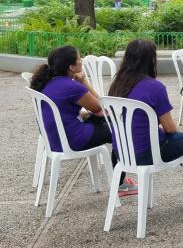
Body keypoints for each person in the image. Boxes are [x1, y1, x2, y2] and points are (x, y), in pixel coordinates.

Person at [107, 39, 183, 204]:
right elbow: (170, 128)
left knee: (181, 141)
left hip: (122, 153)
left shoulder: (116, 85)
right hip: (146, 154)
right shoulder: (154, 87)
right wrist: (168, 129)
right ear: (151, 60)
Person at [30, 46, 137, 196]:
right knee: (120, 132)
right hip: (72, 139)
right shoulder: (72, 86)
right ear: (72, 67)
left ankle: (121, 182)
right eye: (79, 59)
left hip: (54, 139)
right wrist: (84, 82)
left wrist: (85, 114)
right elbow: (102, 108)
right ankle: (121, 184)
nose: (82, 60)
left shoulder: (48, 82)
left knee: (102, 121)